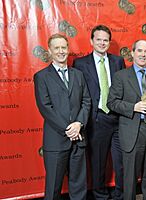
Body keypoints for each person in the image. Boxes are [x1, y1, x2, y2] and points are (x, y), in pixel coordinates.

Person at [34, 33, 91, 200]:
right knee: (53, 189)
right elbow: (46, 108)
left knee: (79, 187)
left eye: (64, 47)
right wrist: (68, 129)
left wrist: (79, 124)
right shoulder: (41, 77)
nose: (61, 51)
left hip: (79, 139)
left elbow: (86, 101)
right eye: (56, 48)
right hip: (56, 141)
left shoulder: (78, 75)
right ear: (50, 51)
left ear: (68, 49)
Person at [107, 40, 146, 199]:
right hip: (133, 129)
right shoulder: (121, 76)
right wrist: (134, 107)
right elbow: (111, 102)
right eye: (139, 51)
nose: (143, 54)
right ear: (132, 53)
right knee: (130, 175)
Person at [73, 25, 125, 199]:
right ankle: (100, 195)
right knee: (98, 163)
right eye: (99, 39)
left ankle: (120, 195)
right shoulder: (80, 64)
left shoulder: (118, 61)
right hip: (96, 119)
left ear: (109, 42)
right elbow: (78, 94)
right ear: (91, 41)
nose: (102, 43)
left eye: (105, 40)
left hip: (118, 119)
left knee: (121, 162)